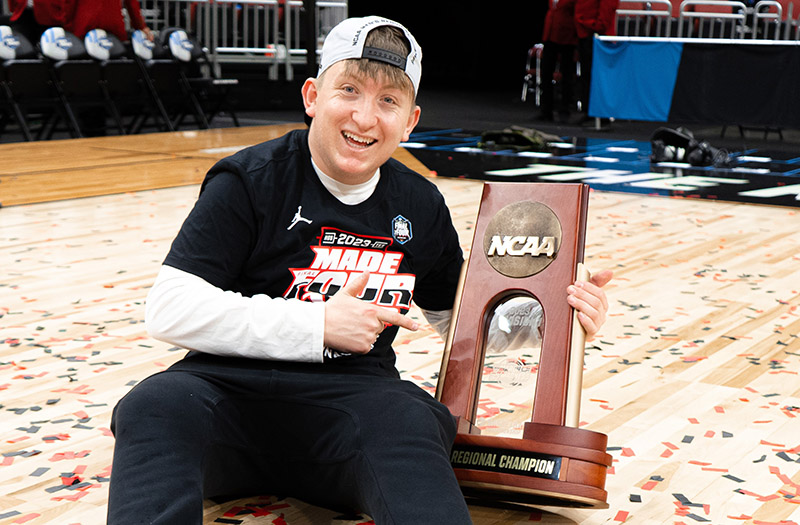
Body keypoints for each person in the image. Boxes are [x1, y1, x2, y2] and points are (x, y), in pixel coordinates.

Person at [106, 15, 612, 524]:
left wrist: (555, 319)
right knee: (155, 406)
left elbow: (456, 321)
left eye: (388, 101)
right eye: (349, 90)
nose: (365, 118)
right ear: (312, 96)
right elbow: (168, 309)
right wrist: (318, 324)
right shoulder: (249, 179)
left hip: (353, 408)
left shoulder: (419, 202)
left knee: (412, 420)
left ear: (410, 120)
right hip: (226, 395)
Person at [574, 0, 619, 125]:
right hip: (587, 33)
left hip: (597, 35)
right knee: (587, 75)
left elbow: (607, 8)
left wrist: (596, 25)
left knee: (598, 77)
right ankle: (589, 111)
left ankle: (600, 115)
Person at [537, 0, 579, 122]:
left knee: (567, 75)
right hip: (550, 34)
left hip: (567, 36)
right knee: (546, 74)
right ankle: (546, 110)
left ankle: (565, 109)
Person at [66, 0, 152, 41]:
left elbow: (69, 4)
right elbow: (132, 3)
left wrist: (67, 27)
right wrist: (141, 27)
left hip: (84, 25)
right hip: (114, 25)